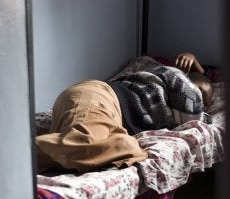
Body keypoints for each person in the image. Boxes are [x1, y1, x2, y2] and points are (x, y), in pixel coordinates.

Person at [36, 52, 215, 174]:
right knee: (85, 141)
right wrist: (195, 65)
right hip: (99, 98)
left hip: (107, 115)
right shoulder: (177, 78)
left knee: (129, 150)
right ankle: (15, 158)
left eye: (206, 102)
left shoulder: (175, 103)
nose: (201, 101)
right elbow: (195, 109)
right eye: (201, 93)